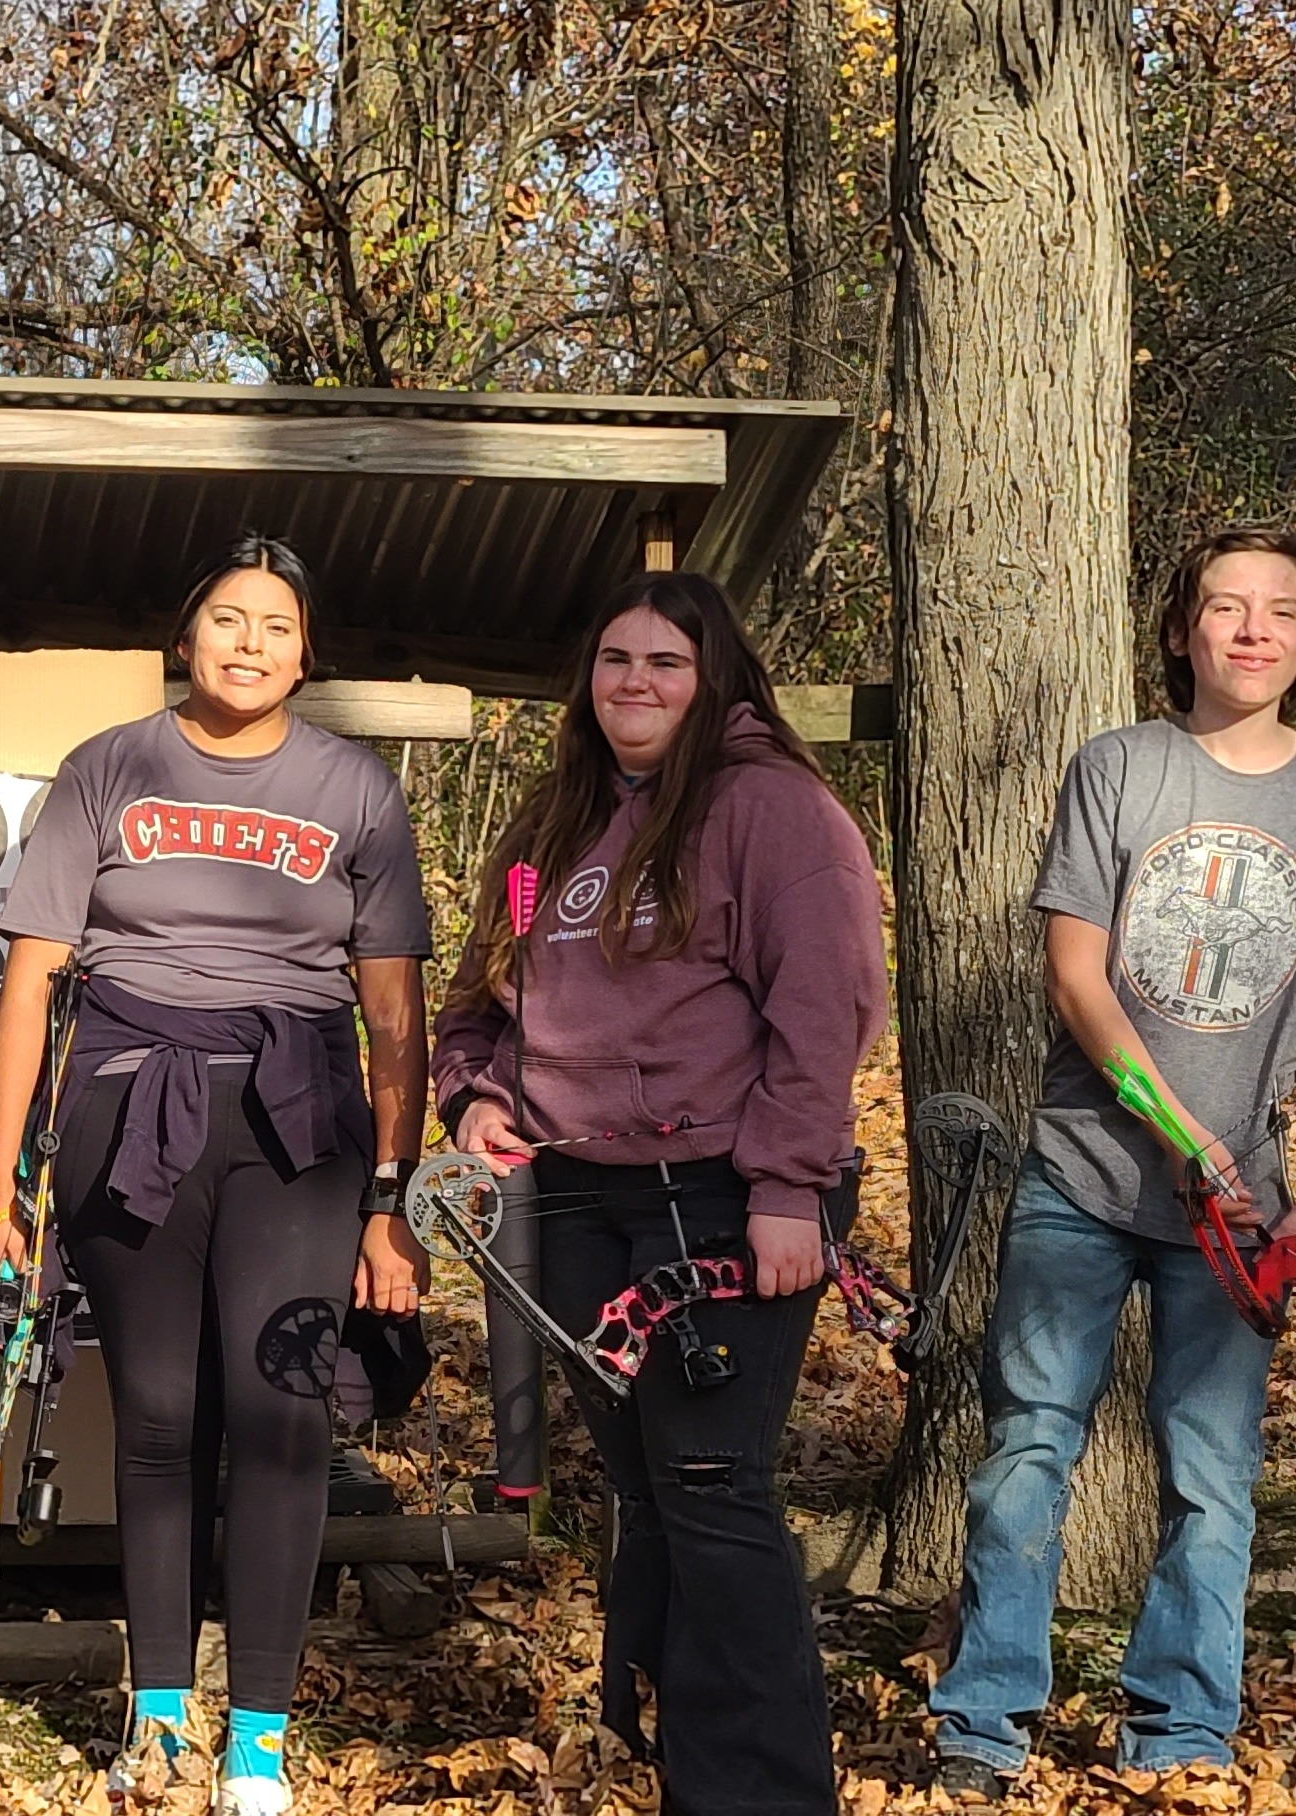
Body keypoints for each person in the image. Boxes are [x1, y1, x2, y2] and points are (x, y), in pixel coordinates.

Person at [927, 527, 1296, 1797]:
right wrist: (1172, 1129)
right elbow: (1075, 971)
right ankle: (985, 1722)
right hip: (1079, 1179)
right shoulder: (1119, 768)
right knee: (1028, 1447)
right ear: (1182, 628)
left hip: (1244, 1208)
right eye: (1224, 607)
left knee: (1212, 1475)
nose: (1250, 630)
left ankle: (1184, 1726)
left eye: (1279, 613)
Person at [0, 537, 433, 1816]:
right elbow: (29, 985)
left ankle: (262, 1740)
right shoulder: (108, 768)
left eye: (275, 626)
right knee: (163, 1419)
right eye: (225, 620)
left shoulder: (354, 787)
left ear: (308, 653)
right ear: (186, 640)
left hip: (295, 1119)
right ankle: (162, 1714)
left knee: (285, 1412)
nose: (247, 643)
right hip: (130, 1102)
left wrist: (391, 1201)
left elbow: (395, 1012)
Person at [428, 570, 884, 1816]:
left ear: (714, 676)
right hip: (579, 1197)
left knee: (710, 1488)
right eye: (616, 659)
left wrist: (791, 1186)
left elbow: (824, 1010)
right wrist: (474, 1092)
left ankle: (770, 1794)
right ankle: (684, 1771)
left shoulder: (771, 810)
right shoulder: (554, 822)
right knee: (644, 1495)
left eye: (665, 662)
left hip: (726, 1200)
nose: (635, 681)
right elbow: (478, 1003)